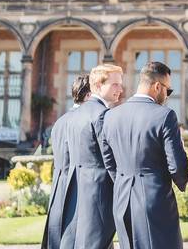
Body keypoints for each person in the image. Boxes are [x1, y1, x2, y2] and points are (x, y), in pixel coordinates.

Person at [101, 62, 188, 249]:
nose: (167, 96)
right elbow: (176, 166)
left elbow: (109, 161)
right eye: (168, 90)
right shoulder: (165, 116)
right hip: (154, 200)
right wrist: (184, 181)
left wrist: (125, 181)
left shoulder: (110, 116)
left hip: (122, 200)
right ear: (157, 86)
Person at [65, 64, 123, 249]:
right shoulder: (102, 115)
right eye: (115, 85)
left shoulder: (74, 115)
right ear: (97, 86)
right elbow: (110, 161)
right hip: (98, 195)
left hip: (76, 191)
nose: (120, 89)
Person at [41, 75, 89, 249]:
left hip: (59, 188)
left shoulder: (59, 122)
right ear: (88, 95)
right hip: (77, 189)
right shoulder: (85, 120)